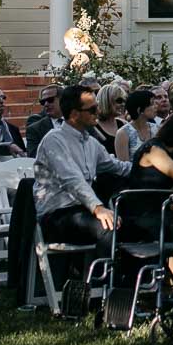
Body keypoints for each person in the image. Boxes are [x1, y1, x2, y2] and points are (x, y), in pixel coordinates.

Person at [32, 84, 133, 286]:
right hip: (57, 215)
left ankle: (130, 287)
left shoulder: (91, 142)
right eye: (92, 110)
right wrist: (98, 208)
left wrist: (149, 164)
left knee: (133, 225)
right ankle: (98, 292)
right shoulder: (54, 140)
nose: (98, 113)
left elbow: (116, 167)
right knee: (107, 228)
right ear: (75, 114)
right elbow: (72, 180)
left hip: (81, 211)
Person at [118, 87, 156, 163]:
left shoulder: (157, 128)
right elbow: (124, 165)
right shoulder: (123, 133)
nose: (155, 106)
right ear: (139, 110)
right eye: (151, 104)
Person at [25, 85, 64, 153]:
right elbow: (33, 156)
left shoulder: (81, 123)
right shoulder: (35, 130)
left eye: (50, 100)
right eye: (43, 102)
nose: (46, 104)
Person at [91, 82, 127, 153]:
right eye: (119, 101)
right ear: (106, 101)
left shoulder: (124, 124)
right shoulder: (93, 128)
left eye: (124, 101)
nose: (123, 104)